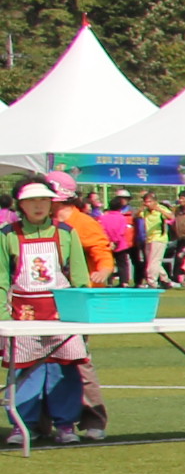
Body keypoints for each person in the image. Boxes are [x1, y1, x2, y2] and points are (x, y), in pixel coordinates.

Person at [7, 173, 96, 444]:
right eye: (31, 201)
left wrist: (84, 313)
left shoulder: (66, 233)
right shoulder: (7, 235)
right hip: (23, 312)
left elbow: (80, 276)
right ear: (21, 205)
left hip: (61, 310)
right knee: (25, 369)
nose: (38, 206)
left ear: (51, 203)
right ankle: (24, 425)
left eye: (43, 200)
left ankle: (66, 425)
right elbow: (1, 277)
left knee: (64, 368)